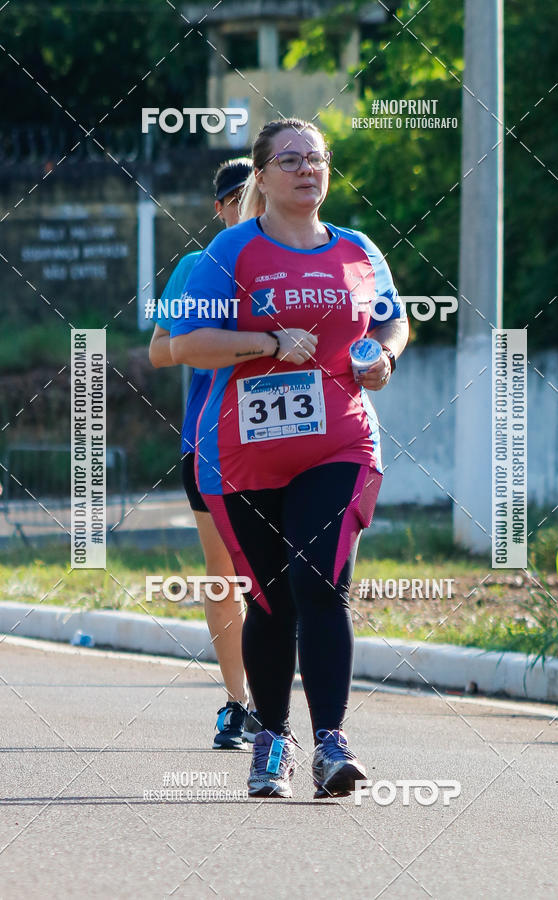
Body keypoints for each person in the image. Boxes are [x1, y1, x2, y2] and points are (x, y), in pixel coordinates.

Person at [171, 118, 409, 798]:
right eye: (291, 159)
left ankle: (332, 744)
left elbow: (393, 317)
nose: (308, 169)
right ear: (263, 176)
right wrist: (266, 342)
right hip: (245, 454)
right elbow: (188, 344)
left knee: (319, 583)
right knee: (270, 598)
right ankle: (271, 736)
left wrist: (384, 354)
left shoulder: (357, 251)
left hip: (339, 441)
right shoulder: (230, 253)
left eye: (318, 158)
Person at [149, 158, 263, 750]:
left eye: (256, 193)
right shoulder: (199, 267)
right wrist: (227, 345)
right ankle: (237, 704)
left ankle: (287, 709)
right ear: (219, 209)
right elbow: (160, 351)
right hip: (212, 441)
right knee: (225, 578)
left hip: (290, 443)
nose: (249, 205)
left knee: (283, 578)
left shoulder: (296, 261)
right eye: (236, 198)